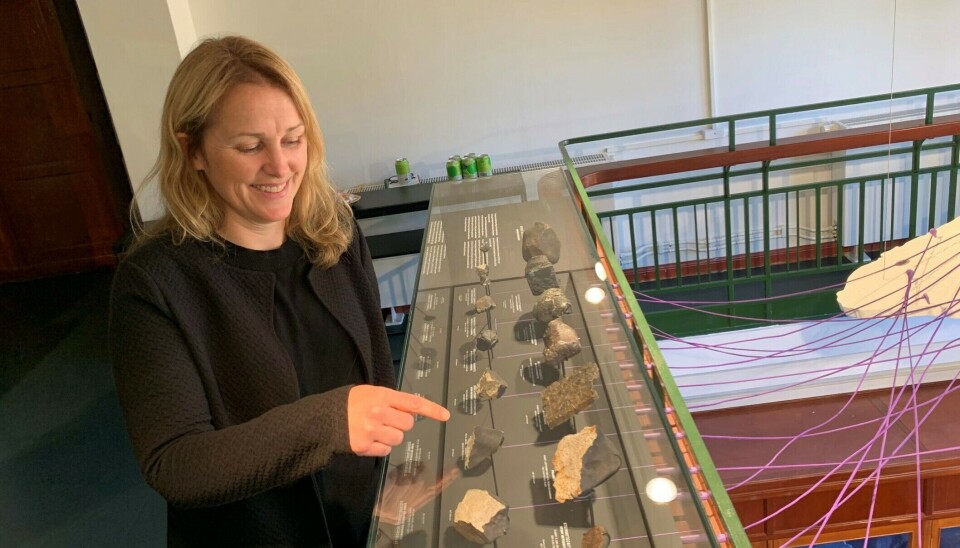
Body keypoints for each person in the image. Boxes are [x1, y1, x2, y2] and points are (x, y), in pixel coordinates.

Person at [109, 35, 450, 547]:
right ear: (193, 150)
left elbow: (375, 365)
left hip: (364, 520)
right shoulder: (154, 282)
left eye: (292, 139)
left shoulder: (333, 230)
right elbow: (175, 464)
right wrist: (330, 421)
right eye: (250, 147)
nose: (281, 165)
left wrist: (389, 473)